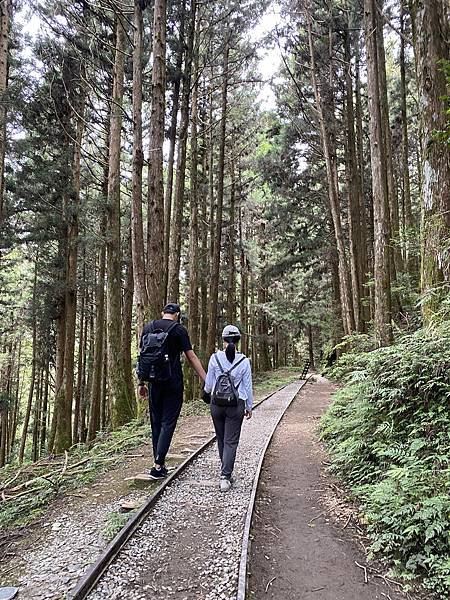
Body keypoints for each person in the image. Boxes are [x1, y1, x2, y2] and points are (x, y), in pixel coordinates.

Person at [137, 303, 206, 479]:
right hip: (173, 382)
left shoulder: (148, 327)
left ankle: (158, 463)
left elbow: (142, 356)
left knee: (156, 422)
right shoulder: (178, 330)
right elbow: (191, 356)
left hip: (153, 382)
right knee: (168, 422)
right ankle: (158, 464)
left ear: (163, 313)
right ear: (176, 314)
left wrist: (141, 383)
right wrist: (207, 379)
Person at [203, 325, 253, 492]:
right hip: (235, 405)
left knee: (221, 438)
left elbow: (209, 385)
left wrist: (206, 395)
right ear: (238, 341)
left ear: (223, 340)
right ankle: (225, 476)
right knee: (231, 441)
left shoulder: (214, 359)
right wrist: (249, 406)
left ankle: (226, 471)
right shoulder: (244, 361)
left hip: (216, 404)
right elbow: (247, 386)